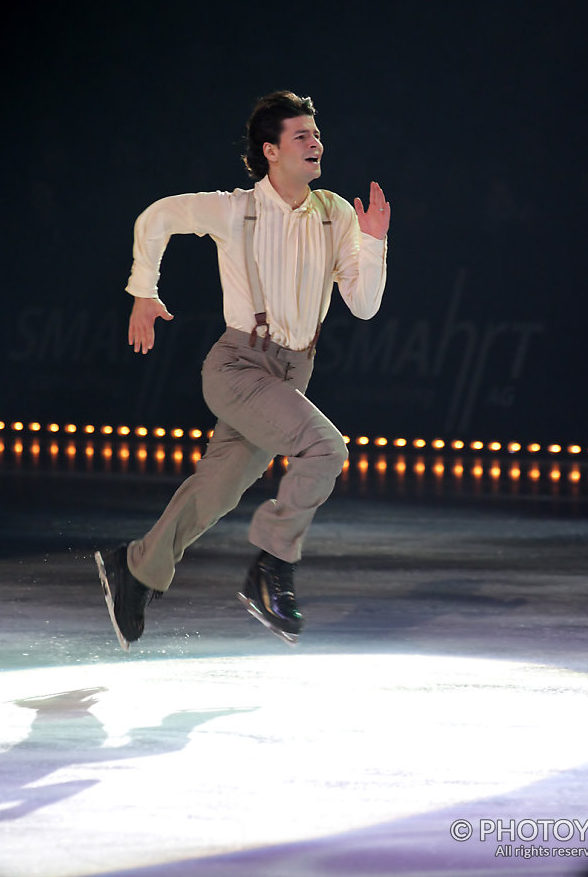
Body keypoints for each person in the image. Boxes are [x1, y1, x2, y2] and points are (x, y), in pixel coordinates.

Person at [95, 90, 390, 649]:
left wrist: (373, 241)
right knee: (326, 448)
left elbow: (364, 304)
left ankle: (134, 569)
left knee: (220, 488)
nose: (315, 142)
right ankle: (272, 567)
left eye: (316, 134)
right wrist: (143, 292)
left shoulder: (336, 213)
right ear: (270, 151)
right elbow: (157, 216)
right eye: (301, 135)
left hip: (290, 374)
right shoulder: (235, 209)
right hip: (238, 366)